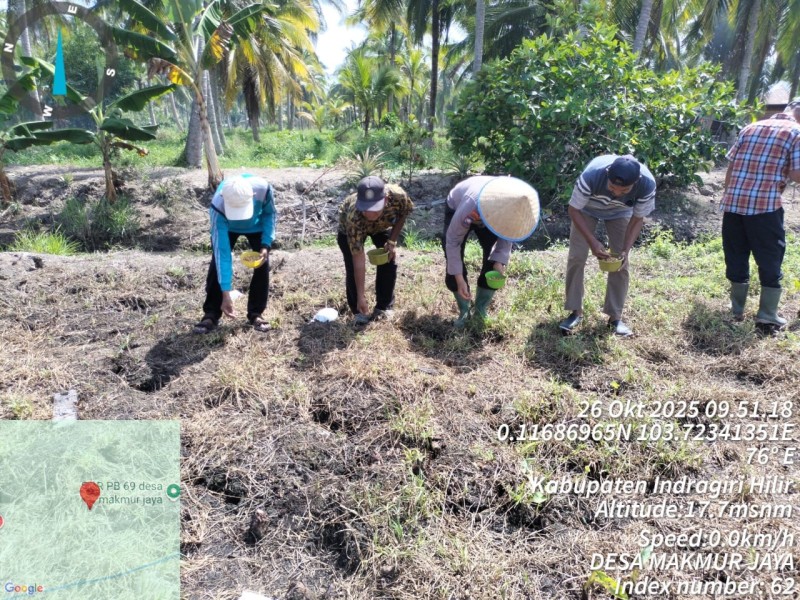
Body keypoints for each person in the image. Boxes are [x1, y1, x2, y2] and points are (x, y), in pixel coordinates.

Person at [722, 99, 800, 330]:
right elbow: (797, 174)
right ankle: (767, 315)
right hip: (764, 207)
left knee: (736, 253)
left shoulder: (750, 127)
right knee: (770, 257)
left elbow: (731, 167)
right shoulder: (796, 132)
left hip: (734, 204)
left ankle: (735, 310)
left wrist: (729, 196)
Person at [559, 154, 656, 337]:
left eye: (624, 190)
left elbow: (637, 219)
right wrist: (592, 241)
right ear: (607, 175)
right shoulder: (592, 176)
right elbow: (573, 210)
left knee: (621, 263)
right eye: (612, 187)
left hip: (620, 213)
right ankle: (575, 311)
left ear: (636, 182)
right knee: (577, 256)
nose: (616, 193)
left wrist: (626, 250)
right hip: (586, 209)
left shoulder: (647, 184)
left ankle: (615, 317)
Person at [444, 176, 540, 326]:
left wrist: (499, 261)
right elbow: (453, 242)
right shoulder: (470, 205)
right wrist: (459, 278)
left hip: (493, 211)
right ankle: (464, 311)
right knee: (453, 261)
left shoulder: (513, 210)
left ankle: (481, 309)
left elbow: (508, 234)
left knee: (494, 262)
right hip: (461, 205)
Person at [193, 174, 277, 334]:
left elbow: (270, 214)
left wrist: (266, 243)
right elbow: (222, 255)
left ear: (252, 196)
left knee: (262, 263)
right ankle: (211, 313)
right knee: (217, 263)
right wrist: (226, 293)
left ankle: (256, 313)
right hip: (227, 226)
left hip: (257, 225)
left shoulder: (263, 189)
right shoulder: (217, 206)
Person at [337, 176, 413, 324]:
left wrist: (392, 241)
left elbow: (404, 213)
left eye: (375, 209)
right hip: (350, 230)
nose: (370, 214)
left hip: (382, 227)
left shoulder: (398, 196)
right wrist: (361, 296)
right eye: (366, 209)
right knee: (353, 268)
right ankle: (359, 311)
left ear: (385, 200)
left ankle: (384, 307)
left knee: (388, 258)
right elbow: (359, 260)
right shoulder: (355, 216)